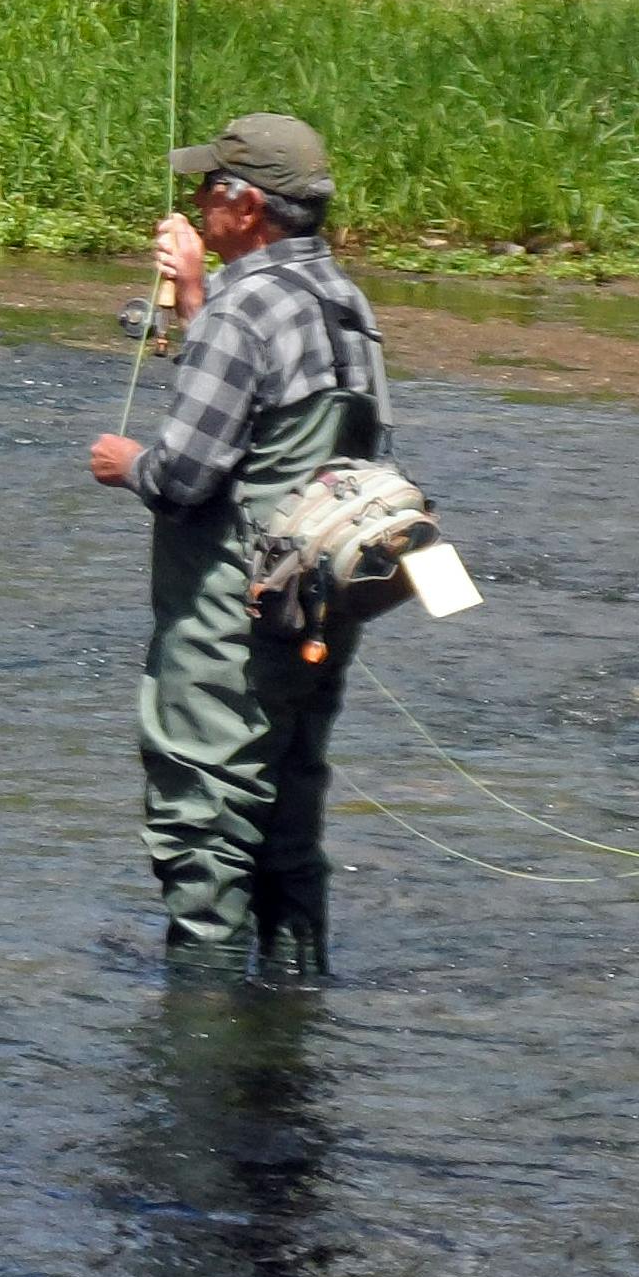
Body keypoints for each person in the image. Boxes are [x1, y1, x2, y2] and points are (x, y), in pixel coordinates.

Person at [85, 113, 389, 986]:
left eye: (205, 190)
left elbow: (186, 477)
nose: (193, 202)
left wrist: (123, 463)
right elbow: (277, 433)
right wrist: (193, 297)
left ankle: (206, 1049)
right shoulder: (343, 301)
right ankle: (292, 1023)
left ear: (244, 205)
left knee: (206, 825)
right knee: (288, 827)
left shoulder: (244, 308)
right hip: (321, 610)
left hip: (229, 620)